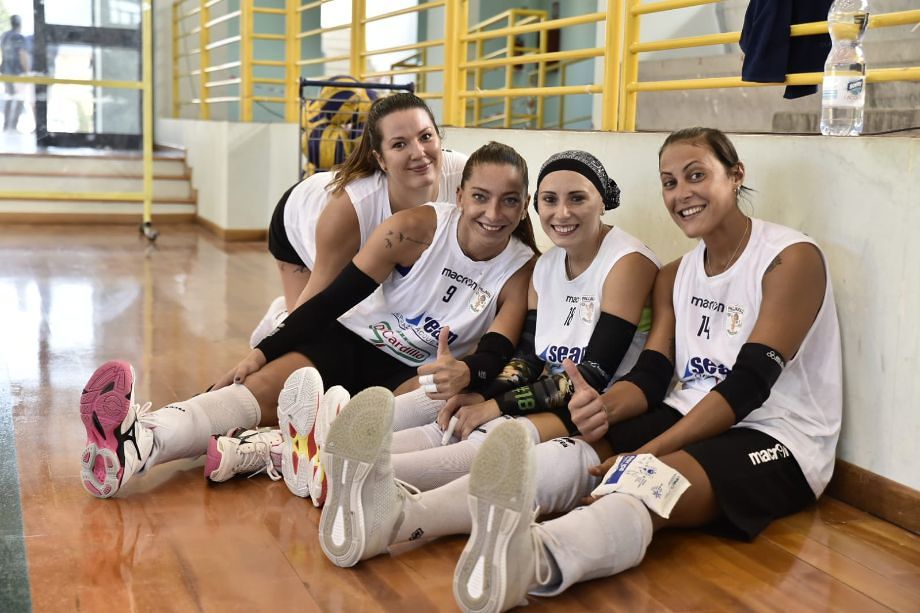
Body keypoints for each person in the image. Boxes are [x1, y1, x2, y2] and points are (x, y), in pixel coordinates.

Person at [312, 128, 842, 613]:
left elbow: (748, 386)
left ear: (736, 175)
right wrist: (602, 408)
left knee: (641, 486)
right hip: (682, 411)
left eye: (696, 175)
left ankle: (532, 558)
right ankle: (398, 518)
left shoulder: (789, 257)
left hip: (774, 434)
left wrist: (648, 450)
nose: (682, 193)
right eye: (669, 182)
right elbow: (653, 373)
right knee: (563, 456)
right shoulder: (676, 274)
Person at [78, 141, 538, 500]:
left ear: (524, 206)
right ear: (460, 196)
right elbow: (332, 300)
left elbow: (498, 350)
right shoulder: (415, 227)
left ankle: (263, 449)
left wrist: (466, 372)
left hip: (415, 372)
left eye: (509, 201)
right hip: (353, 339)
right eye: (481, 197)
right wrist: (264, 352)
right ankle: (143, 441)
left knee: (406, 407)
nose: (493, 213)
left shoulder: (522, 267)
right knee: (257, 389)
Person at [377, 150, 660, 492]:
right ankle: (345, 445)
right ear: (536, 205)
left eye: (577, 198)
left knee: (491, 437)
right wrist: (484, 395)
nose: (562, 212)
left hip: (600, 405)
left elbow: (594, 374)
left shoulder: (628, 261)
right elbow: (527, 359)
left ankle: (367, 471)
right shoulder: (546, 265)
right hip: (551, 393)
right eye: (550, 200)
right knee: (449, 404)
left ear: (602, 201)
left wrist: (495, 405)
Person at [250, 92, 467, 348]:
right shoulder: (351, 210)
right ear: (380, 159)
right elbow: (315, 302)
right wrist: (265, 352)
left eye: (426, 136)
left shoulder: (463, 175)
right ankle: (278, 318)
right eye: (399, 144)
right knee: (315, 330)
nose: (419, 153)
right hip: (297, 219)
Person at [1, 15, 29, 132]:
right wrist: (27, 71)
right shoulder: (19, 37)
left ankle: (6, 125)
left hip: (6, 71)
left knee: (9, 96)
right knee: (19, 98)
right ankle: (13, 126)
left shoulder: (4, 36)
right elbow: (22, 54)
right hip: (17, 72)